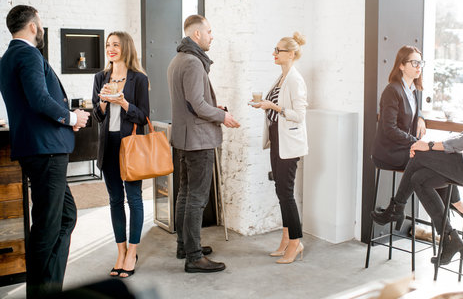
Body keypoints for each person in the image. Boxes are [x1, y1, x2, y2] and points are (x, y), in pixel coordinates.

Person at [371, 42, 463, 265]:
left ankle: (397, 207)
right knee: (419, 178)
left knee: (421, 154)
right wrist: (430, 143)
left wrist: (430, 145)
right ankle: (450, 237)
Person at [0, 5, 90, 297]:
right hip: (46, 153)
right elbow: (40, 100)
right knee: (47, 227)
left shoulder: (9, 56)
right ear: (33, 25)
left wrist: (64, 123)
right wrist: (72, 117)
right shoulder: (26, 54)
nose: (41, 25)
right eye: (39, 21)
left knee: (65, 217)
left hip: (42, 149)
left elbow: (30, 104)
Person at [167, 14, 240, 273]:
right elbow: (197, 105)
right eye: (209, 31)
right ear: (196, 34)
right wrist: (223, 116)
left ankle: (184, 245)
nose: (212, 35)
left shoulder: (178, 60)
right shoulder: (194, 62)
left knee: (185, 194)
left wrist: (212, 106)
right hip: (198, 141)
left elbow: (190, 102)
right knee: (196, 198)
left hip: (184, 138)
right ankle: (194, 257)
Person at [371, 45, 463, 219]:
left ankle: (402, 209)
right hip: (389, 152)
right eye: (414, 63)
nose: (419, 66)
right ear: (401, 65)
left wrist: (420, 117)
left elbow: (412, 111)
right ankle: (453, 205)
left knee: (433, 164)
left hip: (404, 149)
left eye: (420, 63)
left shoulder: (413, 90)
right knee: (430, 157)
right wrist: (416, 142)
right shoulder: (392, 90)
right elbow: (389, 128)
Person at [92, 31, 150, 278]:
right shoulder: (100, 77)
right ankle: (120, 250)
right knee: (115, 200)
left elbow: (144, 117)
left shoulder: (138, 79)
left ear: (125, 47)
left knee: (134, 199)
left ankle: (132, 251)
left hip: (130, 146)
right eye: (108, 45)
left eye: (115, 44)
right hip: (109, 145)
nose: (111, 49)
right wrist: (104, 102)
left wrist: (124, 103)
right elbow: (97, 116)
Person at [251, 32, 308, 264]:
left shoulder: (295, 80)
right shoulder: (281, 78)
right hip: (277, 141)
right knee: (280, 191)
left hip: (289, 145)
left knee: (286, 193)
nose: (274, 54)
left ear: (291, 54)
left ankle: (296, 242)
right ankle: (286, 240)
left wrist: (273, 106)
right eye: (274, 50)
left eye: (278, 50)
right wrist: (265, 106)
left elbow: (299, 116)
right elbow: (277, 109)